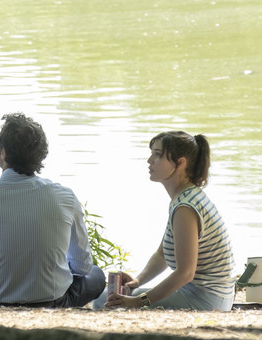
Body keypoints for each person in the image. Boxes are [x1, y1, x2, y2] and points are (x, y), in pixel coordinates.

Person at [0, 113, 106, 307]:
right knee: (97, 274)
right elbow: (82, 268)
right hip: (55, 301)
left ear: (4, 152)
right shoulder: (65, 197)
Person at [97, 131, 235, 311]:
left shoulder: (186, 207)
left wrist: (139, 302)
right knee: (108, 297)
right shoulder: (184, 198)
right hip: (203, 295)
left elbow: (185, 273)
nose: (149, 160)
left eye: (157, 154)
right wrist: (137, 282)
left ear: (180, 163)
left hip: (205, 300)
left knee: (103, 301)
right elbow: (162, 255)